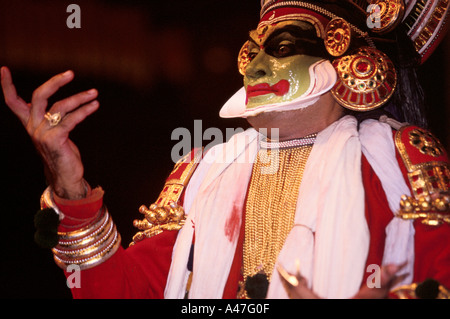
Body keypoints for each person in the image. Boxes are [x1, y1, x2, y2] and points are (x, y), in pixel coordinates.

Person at [2, 0, 450, 299]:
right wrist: (68, 182)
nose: (254, 66)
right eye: (251, 51)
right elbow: (119, 291)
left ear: (348, 64)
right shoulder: (201, 170)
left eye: (281, 48)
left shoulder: (402, 156)